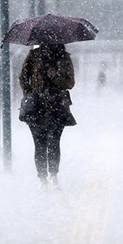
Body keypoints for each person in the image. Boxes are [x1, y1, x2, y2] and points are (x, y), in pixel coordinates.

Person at [19, 44, 76, 188]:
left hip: (57, 106)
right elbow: (23, 77)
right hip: (36, 108)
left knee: (54, 142)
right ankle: (43, 178)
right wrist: (31, 93)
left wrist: (55, 77)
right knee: (39, 144)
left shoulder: (64, 58)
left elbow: (70, 83)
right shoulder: (33, 56)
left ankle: (53, 175)